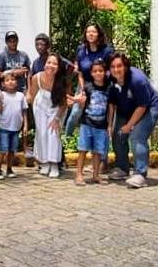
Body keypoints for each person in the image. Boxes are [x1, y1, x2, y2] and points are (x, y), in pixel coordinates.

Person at [107, 52, 158, 188]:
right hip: (126, 108)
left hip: (149, 108)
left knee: (137, 136)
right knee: (118, 134)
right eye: (112, 67)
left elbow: (142, 106)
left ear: (125, 66)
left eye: (119, 66)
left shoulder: (137, 80)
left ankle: (140, 174)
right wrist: (110, 125)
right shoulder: (111, 79)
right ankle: (122, 168)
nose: (116, 69)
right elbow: (112, 103)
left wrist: (129, 125)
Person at [65, 24, 114, 136]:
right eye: (88, 32)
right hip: (84, 84)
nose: (90, 34)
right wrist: (83, 91)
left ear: (99, 34)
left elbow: (111, 70)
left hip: (102, 86)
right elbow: (80, 72)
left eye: (94, 32)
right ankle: (67, 139)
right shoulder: (81, 50)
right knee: (75, 113)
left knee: (100, 114)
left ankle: (105, 138)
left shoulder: (107, 51)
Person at [69, 59, 111, 186]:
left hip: (101, 125)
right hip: (87, 123)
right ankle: (79, 174)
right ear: (91, 73)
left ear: (105, 72)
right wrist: (76, 101)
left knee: (98, 151)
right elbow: (82, 100)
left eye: (100, 71)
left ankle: (95, 175)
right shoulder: (87, 87)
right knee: (83, 149)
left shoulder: (109, 88)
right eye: (95, 71)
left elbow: (111, 108)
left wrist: (109, 125)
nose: (98, 73)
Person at [28, 53, 68, 178]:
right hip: (40, 107)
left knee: (53, 133)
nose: (51, 65)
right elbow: (32, 96)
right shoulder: (36, 77)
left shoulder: (63, 81)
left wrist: (57, 119)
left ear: (59, 67)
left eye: (55, 63)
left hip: (56, 109)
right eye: (49, 62)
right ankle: (44, 162)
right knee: (42, 134)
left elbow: (64, 103)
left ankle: (54, 164)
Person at [0, 72, 28, 180]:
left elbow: (24, 112)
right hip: (4, 127)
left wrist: (25, 125)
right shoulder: (2, 95)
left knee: (12, 150)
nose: (10, 82)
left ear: (16, 82)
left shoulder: (21, 96)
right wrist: (0, 100)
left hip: (16, 128)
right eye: (7, 80)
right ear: (3, 84)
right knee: (3, 149)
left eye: (13, 79)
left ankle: (9, 169)